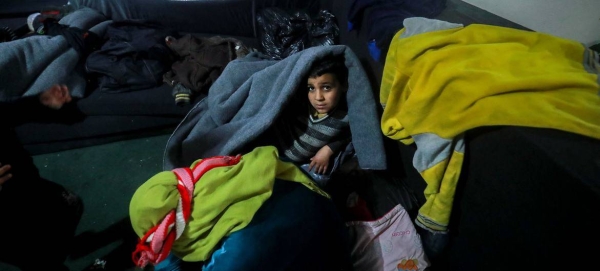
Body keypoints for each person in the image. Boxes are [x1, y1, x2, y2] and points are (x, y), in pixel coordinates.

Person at [0, 84, 82, 271]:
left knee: (71, 205)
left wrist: (42, 102)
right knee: (38, 259)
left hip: (27, 187)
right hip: (6, 228)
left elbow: (12, 112)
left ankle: (56, 252)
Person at [272, 54, 351, 178]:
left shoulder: (345, 117)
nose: (318, 97)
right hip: (272, 150)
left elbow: (349, 135)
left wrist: (328, 150)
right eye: (311, 88)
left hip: (293, 166)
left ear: (344, 86)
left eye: (326, 87)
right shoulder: (299, 104)